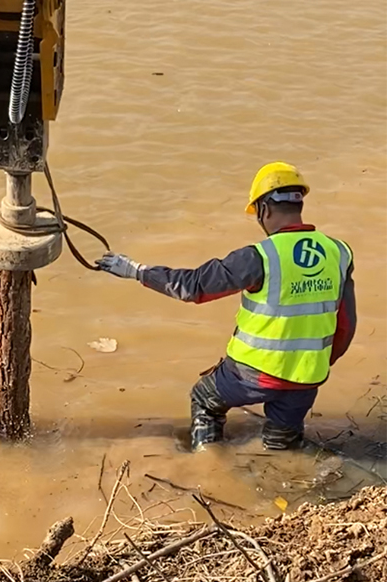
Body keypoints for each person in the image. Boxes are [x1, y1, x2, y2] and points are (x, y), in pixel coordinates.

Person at [96, 162, 357, 452]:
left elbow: (194, 286)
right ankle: (284, 463)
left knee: (204, 399)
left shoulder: (259, 257)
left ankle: (208, 465)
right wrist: (318, 364)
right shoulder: (339, 252)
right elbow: (346, 326)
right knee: (282, 446)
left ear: (264, 209)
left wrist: (136, 270)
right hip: (308, 378)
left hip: (254, 374)